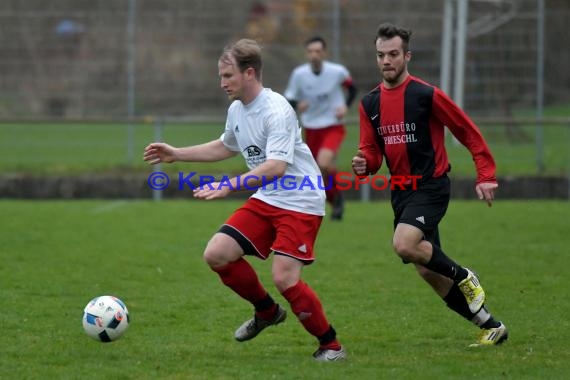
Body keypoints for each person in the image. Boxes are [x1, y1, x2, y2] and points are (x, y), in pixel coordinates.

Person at [144, 39, 346, 361]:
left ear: (249, 73)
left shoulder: (277, 110)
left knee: (284, 278)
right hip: (269, 197)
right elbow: (225, 146)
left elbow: (277, 166)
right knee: (217, 254)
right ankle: (266, 311)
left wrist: (230, 184)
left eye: (228, 76)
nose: (222, 83)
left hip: (300, 199)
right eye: (221, 76)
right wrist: (177, 153)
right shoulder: (237, 108)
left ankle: (331, 346)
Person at [352, 23, 508, 347]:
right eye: (381, 55)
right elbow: (371, 152)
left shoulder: (426, 94)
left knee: (404, 244)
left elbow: (467, 131)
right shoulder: (369, 104)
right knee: (426, 269)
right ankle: (491, 325)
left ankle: (465, 276)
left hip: (431, 186)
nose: (386, 61)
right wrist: (363, 163)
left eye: (393, 54)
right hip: (401, 191)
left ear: (407, 55)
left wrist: (486, 174)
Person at [285, 36, 357, 220]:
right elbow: (290, 98)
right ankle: (336, 199)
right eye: (310, 52)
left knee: (324, 163)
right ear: (306, 54)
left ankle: (335, 198)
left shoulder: (337, 71)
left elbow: (352, 88)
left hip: (333, 125)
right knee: (320, 169)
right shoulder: (299, 74)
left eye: (318, 51)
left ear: (324, 53)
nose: (314, 55)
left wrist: (345, 106)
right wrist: (298, 104)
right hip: (311, 128)